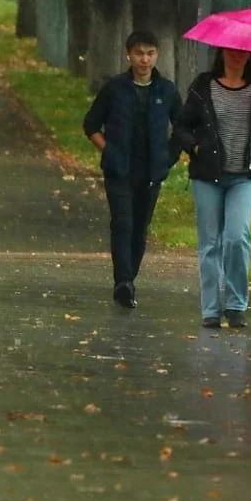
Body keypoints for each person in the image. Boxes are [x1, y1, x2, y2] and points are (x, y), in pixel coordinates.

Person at [171, 48, 251, 329]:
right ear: (222, 52)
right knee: (210, 244)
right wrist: (195, 147)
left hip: (244, 177)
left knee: (236, 237)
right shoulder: (203, 86)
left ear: (250, 56)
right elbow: (181, 125)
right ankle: (210, 309)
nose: (237, 56)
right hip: (208, 175)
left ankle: (235, 305)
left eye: (243, 52)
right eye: (232, 51)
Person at [82, 31, 182, 309]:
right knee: (123, 222)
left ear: (157, 55)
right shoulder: (115, 88)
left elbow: (183, 127)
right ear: (128, 55)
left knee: (140, 227)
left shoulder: (167, 91)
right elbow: (90, 125)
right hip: (119, 170)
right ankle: (122, 282)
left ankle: (129, 280)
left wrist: (168, 157)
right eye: (139, 53)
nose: (144, 59)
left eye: (150, 53)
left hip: (151, 171)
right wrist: (109, 150)